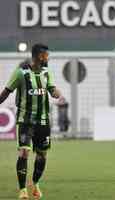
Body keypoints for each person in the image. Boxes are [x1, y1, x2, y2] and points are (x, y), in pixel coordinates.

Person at [0, 44, 63, 199]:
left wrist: (56, 93)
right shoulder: (21, 73)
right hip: (25, 120)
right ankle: (22, 190)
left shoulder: (46, 73)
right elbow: (6, 92)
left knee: (42, 155)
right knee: (24, 152)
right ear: (39, 56)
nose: (47, 58)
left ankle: (35, 184)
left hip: (43, 121)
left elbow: (52, 89)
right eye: (46, 55)